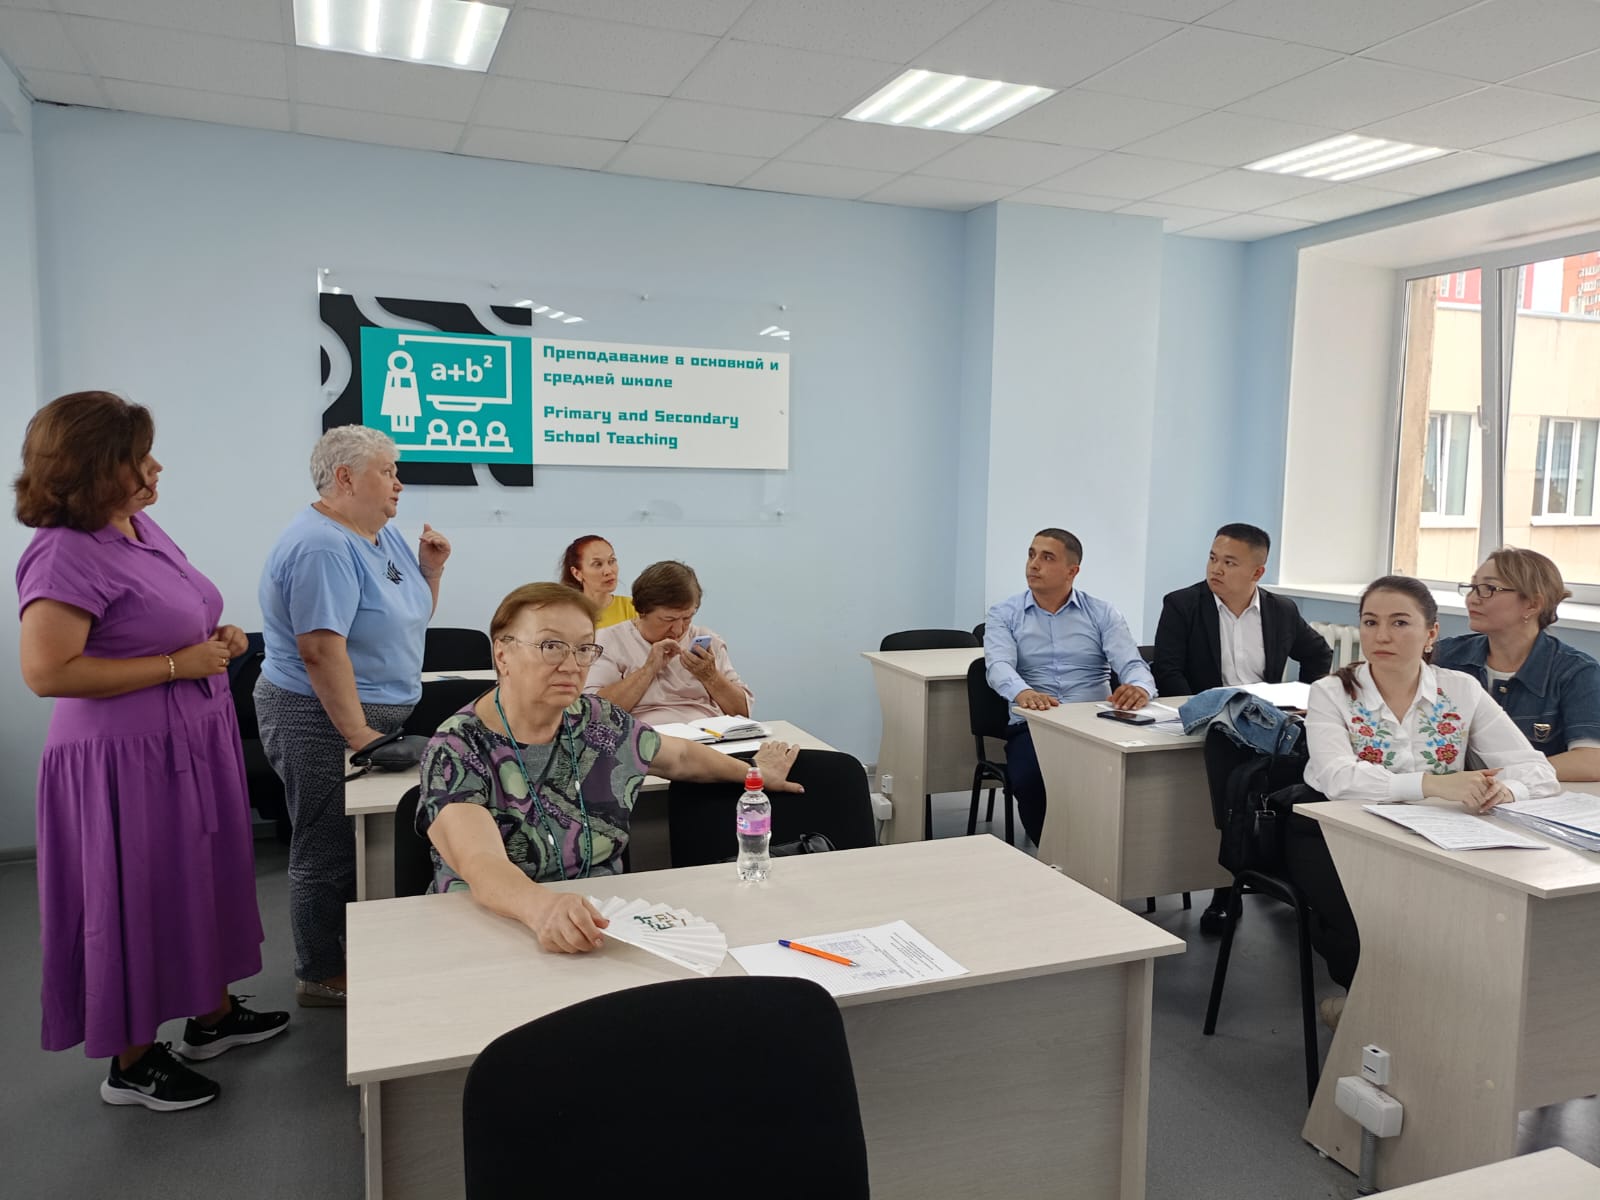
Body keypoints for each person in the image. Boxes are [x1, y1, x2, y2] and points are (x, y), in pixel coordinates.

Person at [15, 391, 288, 1112]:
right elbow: (47, 672)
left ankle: (211, 1015)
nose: (156, 467)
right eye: (139, 457)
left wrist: (219, 637)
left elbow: (167, 615)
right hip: (121, 758)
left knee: (198, 877)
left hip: (190, 737)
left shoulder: (137, 526)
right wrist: (175, 666)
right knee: (134, 896)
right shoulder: (62, 552)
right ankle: (131, 1061)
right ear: (95, 466)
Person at [417, 583, 802, 951]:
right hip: (491, 927)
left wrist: (755, 775)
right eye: (551, 646)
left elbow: (681, 757)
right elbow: (481, 862)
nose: (572, 665)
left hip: (600, 924)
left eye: (585, 648)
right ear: (502, 653)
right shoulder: (458, 747)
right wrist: (543, 908)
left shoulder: (599, 722)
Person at [1293, 575, 1559, 1027]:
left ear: (1431, 633)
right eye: (1371, 622)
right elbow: (1338, 778)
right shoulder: (1331, 692)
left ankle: (1439, 1019)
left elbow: (1535, 769)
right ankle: (1369, 1008)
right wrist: (1433, 785)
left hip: (1438, 833)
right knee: (1365, 924)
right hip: (1337, 829)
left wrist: (1505, 790)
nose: (1382, 635)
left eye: (1400, 623)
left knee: (1478, 916)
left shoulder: (1460, 690)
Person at [255, 425, 452, 1007]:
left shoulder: (379, 535)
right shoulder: (321, 546)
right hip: (317, 716)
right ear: (345, 478)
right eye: (387, 471)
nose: (399, 482)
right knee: (327, 847)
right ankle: (318, 973)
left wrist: (431, 572)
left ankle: (359, 950)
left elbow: (406, 618)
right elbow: (320, 650)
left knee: (362, 840)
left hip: (368, 717)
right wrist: (360, 735)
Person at [1152, 522, 1332, 932]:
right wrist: (1202, 712)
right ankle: (1226, 890)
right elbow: (1168, 669)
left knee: (1302, 778)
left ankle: (1290, 876)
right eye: (1213, 558)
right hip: (1214, 722)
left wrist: (1307, 699)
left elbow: (1318, 654)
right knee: (1236, 790)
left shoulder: (1281, 610)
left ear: (1257, 572)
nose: (1216, 569)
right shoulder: (1182, 605)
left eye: (1229, 562)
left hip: (1265, 722)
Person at [984, 528, 1155, 849]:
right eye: (1031, 554)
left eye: (1047, 557)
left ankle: (1104, 855)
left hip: (1095, 722)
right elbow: (998, 666)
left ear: (1072, 571)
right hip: (1035, 723)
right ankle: (1053, 854)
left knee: (1132, 779)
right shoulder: (1004, 613)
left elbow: (1132, 663)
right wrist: (1023, 693)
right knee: (1031, 780)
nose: (1034, 564)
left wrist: (1139, 687)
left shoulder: (1102, 613)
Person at [1434, 547, 1600, 782]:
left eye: (1489, 589)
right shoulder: (1445, 657)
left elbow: (1590, 761)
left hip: (1529, 797)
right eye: (1472, 587)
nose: (1472, 598)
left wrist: (1494, 779)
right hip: (1449, 796)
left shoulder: (1576, 672)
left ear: (1532, 604)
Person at [587, 560, 752, 726]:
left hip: (708, 733)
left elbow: (742, 713)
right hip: (646, 735)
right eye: (668, 619)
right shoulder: (608, 640)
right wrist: (648, 670)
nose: (678, 630)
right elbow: (593, 714)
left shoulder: (706, 641)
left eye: (687, 618)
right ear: (641, 611)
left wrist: (711, 676)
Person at [558, 534, 636, 630]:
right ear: (577, 573)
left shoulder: (634, 608)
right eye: (597, 564)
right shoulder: (566, 615)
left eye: (612, 561)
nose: (608, 571)